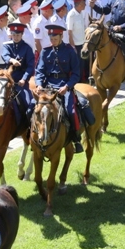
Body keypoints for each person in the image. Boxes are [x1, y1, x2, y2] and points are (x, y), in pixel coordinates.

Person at [35, 21, 83, 152]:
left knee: (71, 111)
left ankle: (76, 138)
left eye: (55, 39)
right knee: (32, 110)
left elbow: (76, 73)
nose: (53, 41)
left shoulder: (69, 51)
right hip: (47, 87)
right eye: (51, 39)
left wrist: (67, 86)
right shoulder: (45, 52)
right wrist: (39, 84)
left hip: (63, 86)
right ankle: (32, 137)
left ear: (61, 37)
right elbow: (39, 70)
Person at [0, 23, 36, 125]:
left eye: (18, 35)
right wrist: (11, 60)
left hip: (21, 79)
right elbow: (4, 55)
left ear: (22, 34)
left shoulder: (27, 48)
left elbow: (30, 67)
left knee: (28, 103)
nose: (16, 37)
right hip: (8, 78)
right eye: (14, 35)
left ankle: (25, 125)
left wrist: (24, 79)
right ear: (11, 34)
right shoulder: (7, 45)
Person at [66, 0, 90, 81]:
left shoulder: (80, 13)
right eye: (84, 3)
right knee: (77, 67)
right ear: (79, 4)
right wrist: (73, 47)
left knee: (81, 66)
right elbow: (69, 32)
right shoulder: (71, 14)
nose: (85, 5)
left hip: (82, 43)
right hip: (75, 45)